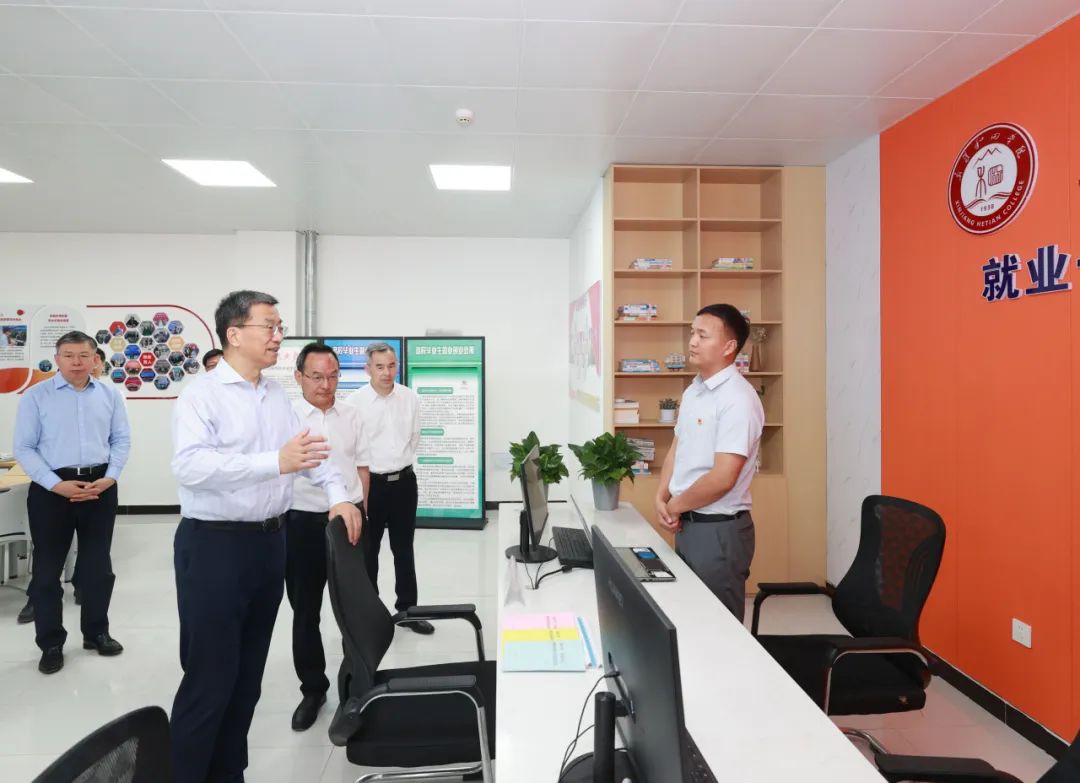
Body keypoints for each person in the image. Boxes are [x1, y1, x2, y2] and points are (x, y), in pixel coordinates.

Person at [170, 290, 363, 783]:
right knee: (210, 679)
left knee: (247, 678)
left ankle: (228, 773)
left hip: (268, 544)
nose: (278, 336)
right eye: (269, 327)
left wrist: (339, 496)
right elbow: (191, 467)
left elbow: (308, 453)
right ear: (234, 334)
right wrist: (273, 463)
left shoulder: (274, 395)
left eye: (280, 327)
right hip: (214, 547)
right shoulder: (201, 395)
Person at [12, 331, 130, 673]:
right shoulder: (36, 396)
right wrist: (56, 485)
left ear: (95, 359)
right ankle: (51, 643)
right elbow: (24, 448)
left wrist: (111, 476)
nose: (76, 362)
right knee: (47, 573)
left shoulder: (110, 395)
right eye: (68, 355)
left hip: (99, 487)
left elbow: (121, 439)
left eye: (83, 355)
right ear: (57, 359)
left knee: (98, 568)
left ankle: (97, 633)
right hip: (52, 490)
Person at [655, 304, 764, 622]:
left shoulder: (738, 399)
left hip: (719, 530)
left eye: (702, 335)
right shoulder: (695, 390)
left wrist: (674, 506)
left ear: (729, 347)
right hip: (689, 522)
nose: (692, 341)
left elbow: (722, 478)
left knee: (718, 626)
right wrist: (662, 495)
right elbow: (678, 447)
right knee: (690, 618)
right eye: (692, 333)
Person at [286, 342, 370, 731]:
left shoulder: (352, 415)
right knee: (306, 610)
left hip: (349, 519)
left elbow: (362, 468)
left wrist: (364, 512)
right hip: (302, 521)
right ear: (299, 376)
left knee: (355, 607)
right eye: (317, 376)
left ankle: (356, 684)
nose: (326, 384)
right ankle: (313, 689)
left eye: (333, 376)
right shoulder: (286, 417)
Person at [344, 342, 431, 634]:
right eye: (379, 367)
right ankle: (371, 617)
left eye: (391, 366)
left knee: (404, 549)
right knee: (368, 553)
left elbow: (414, 438)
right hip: (371, 486)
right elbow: (351, 449)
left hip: (404, 483)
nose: (386, 372)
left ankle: (408, 611)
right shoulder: (354, 403)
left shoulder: (409, 398)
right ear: (367, 368)